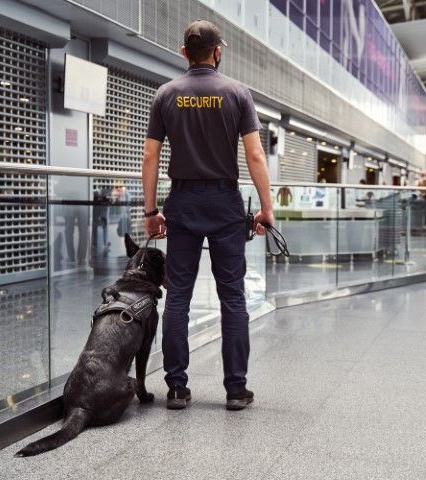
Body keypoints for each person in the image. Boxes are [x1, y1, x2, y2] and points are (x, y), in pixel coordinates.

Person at [141, 20, 273, 411]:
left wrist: (151, 211)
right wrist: (266, 208)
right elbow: (254, 155)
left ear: (184, 53)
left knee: (178, 295)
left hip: (181, 202)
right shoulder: (237, 93)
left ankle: (177, 389)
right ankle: (236, 389)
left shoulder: (166, 94)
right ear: (219, 51)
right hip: (224, 203)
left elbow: (150, 156)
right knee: (232, 294)